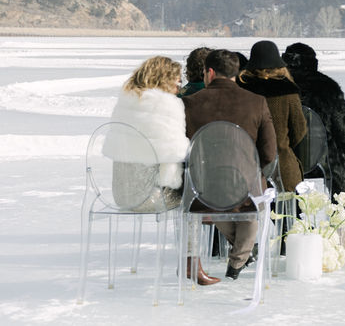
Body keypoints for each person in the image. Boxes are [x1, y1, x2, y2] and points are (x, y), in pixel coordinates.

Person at [183, 49, 277, 283]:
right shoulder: (257, 102)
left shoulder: (190, 103)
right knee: (248, 206)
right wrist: (255, 172)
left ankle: (241, 257)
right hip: (245, 185)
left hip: (204, 187)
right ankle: (238, 260)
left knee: (219, 201)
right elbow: (269, 151)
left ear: (210, 72)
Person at [106, 56, 189, 213]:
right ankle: (194, 238)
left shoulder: (125, 100)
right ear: (165, 80)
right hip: (153, 197)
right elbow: (177, 153)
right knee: (195, 194)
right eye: (178, 82)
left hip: (122, 195)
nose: (179, 88)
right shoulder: (166, 104)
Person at [283, 42, 345, 197]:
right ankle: (336, 215)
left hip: (282, 162)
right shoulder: (328, 87)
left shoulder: (274, 87)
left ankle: (291, 215)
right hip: (322, 161)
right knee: (341, 162)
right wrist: (342, 153)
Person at [238, 40, 308, 193]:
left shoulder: (240, 89)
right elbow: (300, 128)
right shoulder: (288, 90)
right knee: (288, 215)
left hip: (246, 169)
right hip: (283, 169)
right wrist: (283, 144)